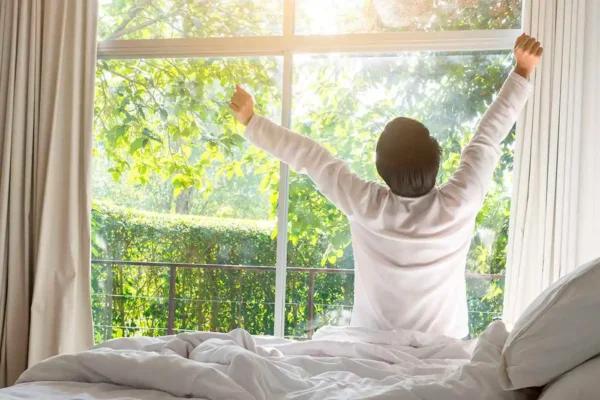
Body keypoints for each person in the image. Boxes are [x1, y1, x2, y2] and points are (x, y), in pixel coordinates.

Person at [229, 34, 543, 339]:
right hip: (444, 349)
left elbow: (312, 158)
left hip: (371, 348)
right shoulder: (458, 204)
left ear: (382, 171)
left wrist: (252, 121)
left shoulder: (365, 204)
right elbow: (487, 136)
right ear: (434, 160)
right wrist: (522, 70)